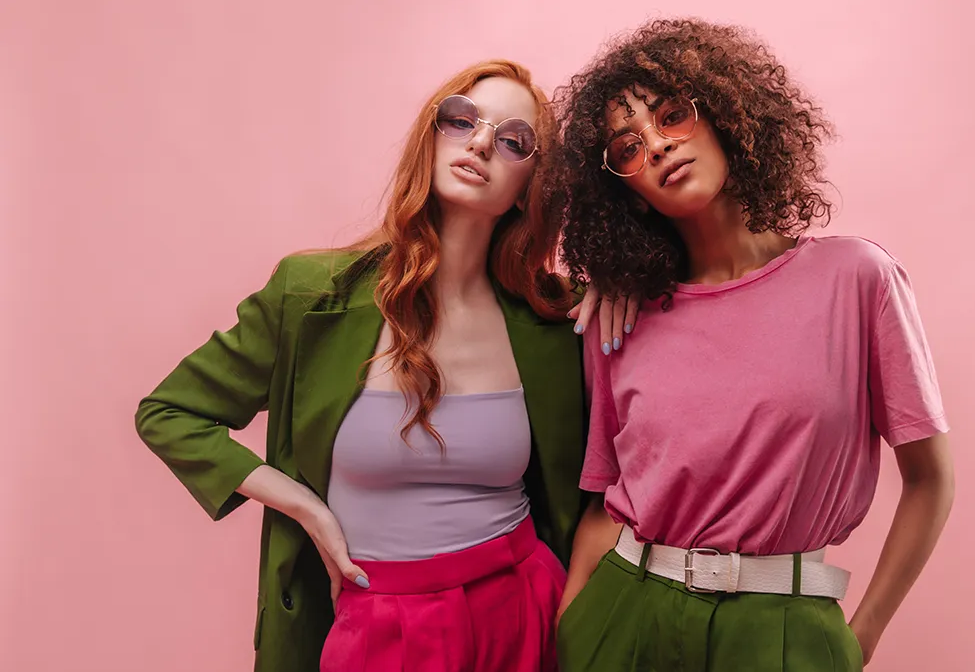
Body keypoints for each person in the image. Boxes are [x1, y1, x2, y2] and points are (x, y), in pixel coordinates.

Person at [134, 60, 625, 672]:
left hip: (522, 609)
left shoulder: (554, 320)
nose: (478, 143)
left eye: (512, 140)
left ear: (531, 185)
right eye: (461, 119)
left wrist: (621, 277)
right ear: (432, 134)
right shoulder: (313, 295)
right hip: (378, 616)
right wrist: (305, 507)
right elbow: (168, 412)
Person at [549, 19, 956, 671]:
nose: (655, 146)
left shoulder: (858, 278)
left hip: (781, 630)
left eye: (672, 115)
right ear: (625, 189)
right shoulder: (623, 314)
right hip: (624, 617)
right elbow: (605, 505)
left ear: (726, 114)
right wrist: (573, 635)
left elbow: (932, 480)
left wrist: (861, 637)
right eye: (626, 147)